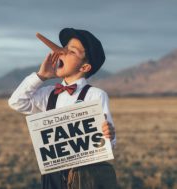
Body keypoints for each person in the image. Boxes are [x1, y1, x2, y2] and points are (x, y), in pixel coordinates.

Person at [8, 28, 117, 189]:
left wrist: (109, 134)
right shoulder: (48, 94)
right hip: (51, 176)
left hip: (83, 177)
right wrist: (41, 76)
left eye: (71, 52)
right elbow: (16, 102)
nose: (61, 53)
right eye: (63, 48)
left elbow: (109, 143)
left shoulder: (96, 95)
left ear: (85, 67)